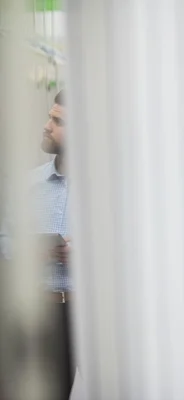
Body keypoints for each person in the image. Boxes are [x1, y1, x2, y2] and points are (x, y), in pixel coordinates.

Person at [0, 90, 74, 399]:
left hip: (91, 316)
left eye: (57, 121)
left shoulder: (112, 190)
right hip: (39, 313)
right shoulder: (27, 185)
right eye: (49, 117)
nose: (46, 126)